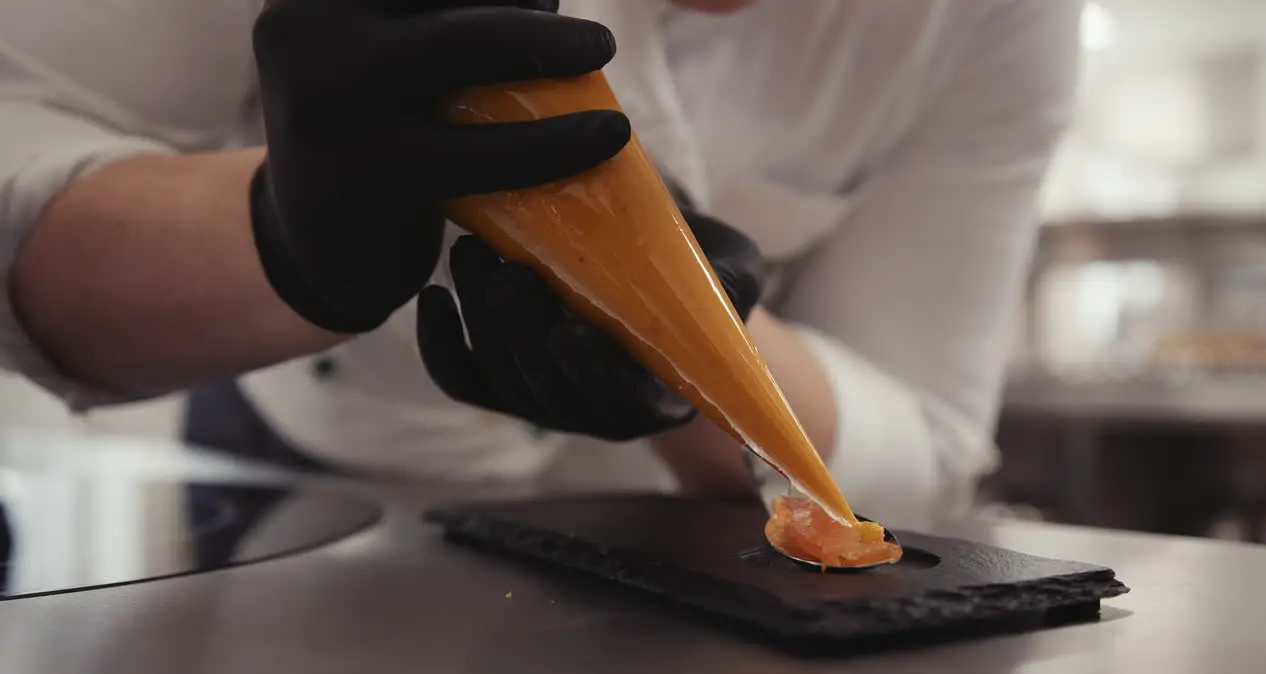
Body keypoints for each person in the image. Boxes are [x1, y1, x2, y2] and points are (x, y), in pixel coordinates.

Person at [0, 0, 1081, 528]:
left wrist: (688, 351)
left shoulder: (993, 18)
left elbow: (923, 443)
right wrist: (276, 234)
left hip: (676, 556)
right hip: (299, 484)